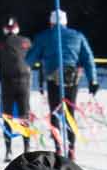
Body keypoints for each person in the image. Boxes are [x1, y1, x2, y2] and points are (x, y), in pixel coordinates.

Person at [30, 10, 97, 154]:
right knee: (69, 114)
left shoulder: (43, 37)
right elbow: (88, 58)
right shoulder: (77, 36)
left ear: (51, 22)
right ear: (65, 22)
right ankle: (71, 147)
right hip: (72, 79)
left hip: (53, 80)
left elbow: (30, 59)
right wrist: (93, 80)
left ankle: (58, 147)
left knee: (55, 113)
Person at [0, 16, 33, 157]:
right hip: (24, 83)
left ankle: (8, 150)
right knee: (24, 116)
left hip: (7, 83)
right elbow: (32, 58)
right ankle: (26, 147)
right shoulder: (26, 41)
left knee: (8, 117)